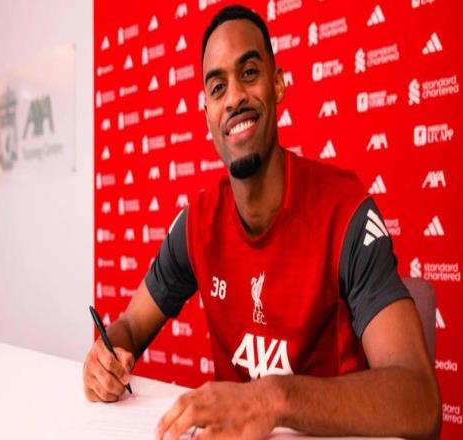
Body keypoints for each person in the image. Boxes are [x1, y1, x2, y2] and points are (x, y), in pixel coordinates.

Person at [84, 5, 441, 439]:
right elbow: (130, 326)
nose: (234, 96)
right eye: (218, 87)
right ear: (208, 113)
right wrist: (106, 357)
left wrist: (271, 399)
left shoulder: (345, 210)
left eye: (249, 73)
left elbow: (419, 400)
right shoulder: (198, 222)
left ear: (277, 84)